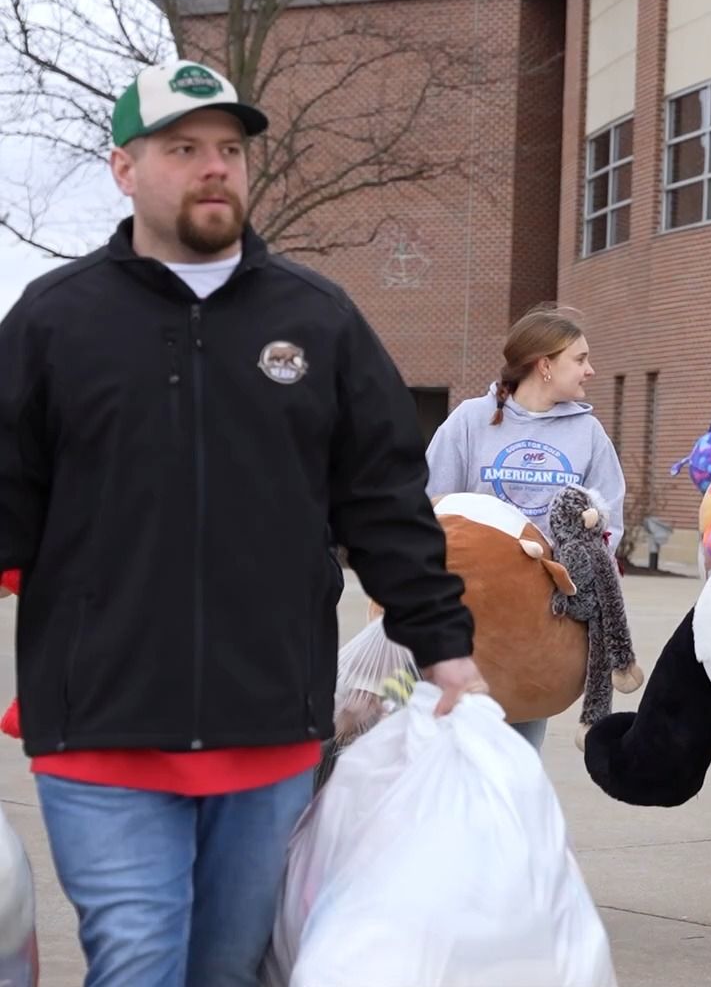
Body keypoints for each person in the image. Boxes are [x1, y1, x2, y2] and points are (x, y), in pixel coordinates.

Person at [0, 59, 485, 987]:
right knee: (136, 961)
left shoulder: (319, 319)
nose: (213, 167)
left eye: (229, 148)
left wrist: (444, 646)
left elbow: (384, 499)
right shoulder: (55, 323)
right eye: (183, 148)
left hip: (266, 721)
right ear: (124, 168)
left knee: (227, 971)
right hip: (102, 721)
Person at [425, 305, 626, 753]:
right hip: (470, 611)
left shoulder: (588, 432)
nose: (591, 370)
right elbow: (431, 507)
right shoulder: (470, 420)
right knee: (453, 748)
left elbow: (609, 517)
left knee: (518, 750)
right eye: (580, 358)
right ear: (545, 365)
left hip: (544, 615)